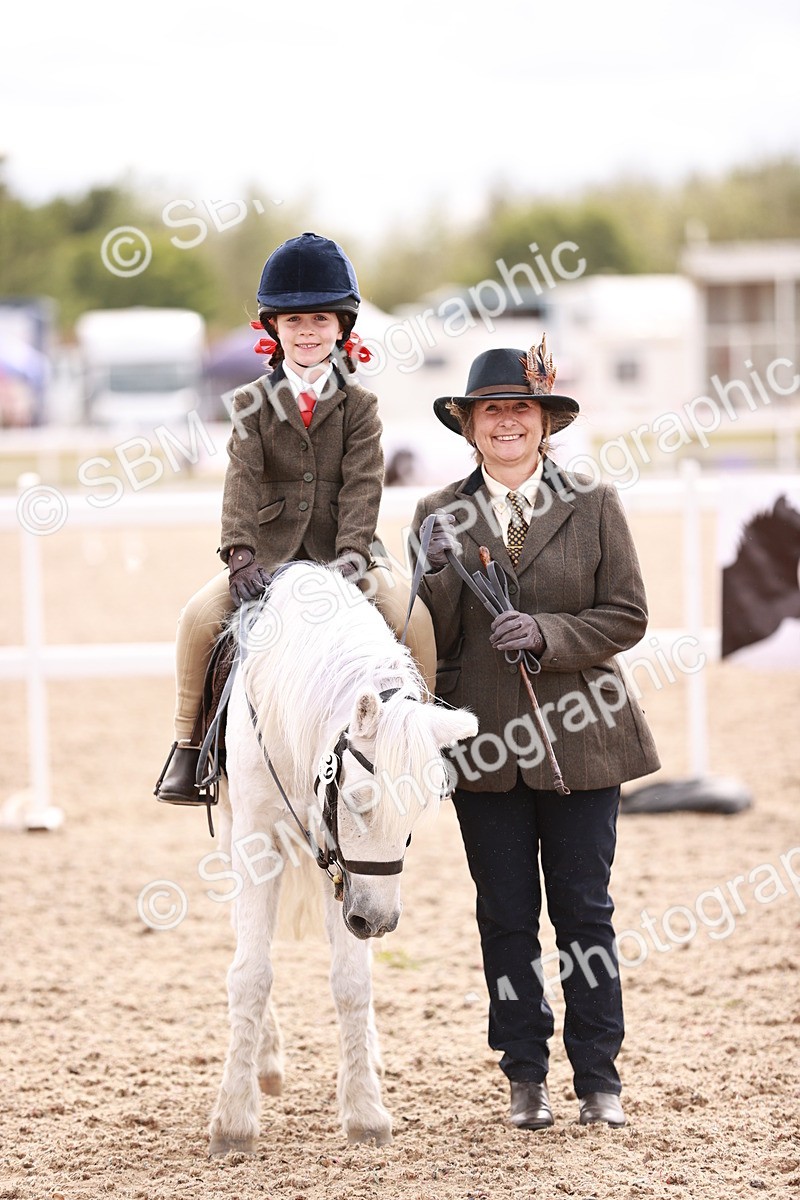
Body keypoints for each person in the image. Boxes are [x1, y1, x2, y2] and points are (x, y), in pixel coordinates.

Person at [411, 336, 660, 1131]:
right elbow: (426, 636)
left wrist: (548, 634)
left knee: (585, 913)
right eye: (493, 410)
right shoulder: (434, 515)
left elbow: (627, 615)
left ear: (543, 420)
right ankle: (525, 1072)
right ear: (471, 424)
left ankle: (599, 1077)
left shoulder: (594, 502)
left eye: (521, 408)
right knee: (506, 918)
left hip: (584, 741)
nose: (507, 422)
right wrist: (434, 573)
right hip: (484, 749)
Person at [155, 232, 435, 804]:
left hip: (346, 548)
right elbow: (242, 479)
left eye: (320, 320)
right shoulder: (250, 403)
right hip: (268, 550)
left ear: (341, 328)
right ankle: (188, 750)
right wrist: (239, 553)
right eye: (293, 321)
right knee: (196, 617)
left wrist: (355, 556)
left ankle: (422, 744)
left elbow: (363, 482)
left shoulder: (362, 406)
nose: (307, 332)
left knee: (417, 618)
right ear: (274, 329)